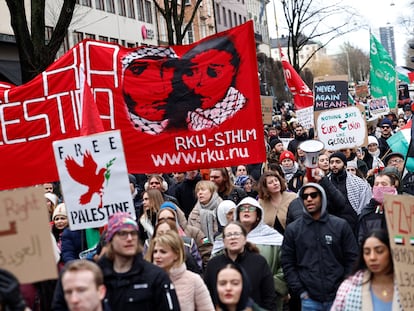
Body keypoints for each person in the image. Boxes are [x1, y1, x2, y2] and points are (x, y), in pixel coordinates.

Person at [53, 212, 181, 311]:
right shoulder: (95, 275)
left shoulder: (155, 276)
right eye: (122, 234)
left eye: (133, 233)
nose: (130, 238)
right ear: (110, 240)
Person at [281, 183, 358, 311]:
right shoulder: (293, 230)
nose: (309, 199)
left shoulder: (340, 226)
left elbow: (352, 259)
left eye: (313, 195)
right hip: (309, 299)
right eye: (305, 197)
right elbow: (287, 263)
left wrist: (344, 286)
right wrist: (301, 291)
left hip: (338, 297)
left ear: (322, 197)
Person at [205, 222, 278, 310]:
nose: (233, 237)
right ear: (224, 241)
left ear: (245, 239)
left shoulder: (259, 262)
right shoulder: (213, 264)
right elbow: (207, 296)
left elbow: (269, 296)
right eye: (228, 235)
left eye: (237, 234)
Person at [331, 229, 402, 310]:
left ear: (391, 251)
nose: (372, 257)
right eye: (367, 252)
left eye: (379, 251)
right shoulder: (349, 288)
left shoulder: (407, 285)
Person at [145, 230, 214, 311]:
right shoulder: (146, 281)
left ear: (176, 254)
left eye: (163, 252)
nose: (157, 256)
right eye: (155, 251)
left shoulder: (194, 280)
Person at [357, 172, 398, 245]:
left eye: (384, 184)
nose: (379, 187)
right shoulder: (367, 212)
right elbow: (361, 238)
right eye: (376, 184)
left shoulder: (402, 210)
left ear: (392, 187)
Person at [327, 152, 372, 216]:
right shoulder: (325, 182)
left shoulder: (359, 183)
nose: (334, 165)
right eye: (331, 162)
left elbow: (364, 205)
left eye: (338, 162)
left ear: (345, 165)